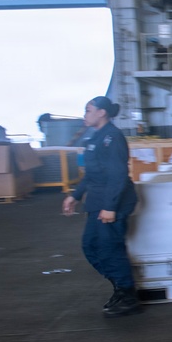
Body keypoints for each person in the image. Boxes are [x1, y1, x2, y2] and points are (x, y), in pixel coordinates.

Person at [63, 96, 141, 317]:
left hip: (112, 202)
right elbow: (91, 174)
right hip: (97, 201)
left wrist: (110, 207)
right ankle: (119, 285)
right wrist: (75, 195)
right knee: (91, 246)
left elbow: (118, 175)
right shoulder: (94, 137)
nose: (84, 115)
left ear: (102, 112)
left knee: (109, 248)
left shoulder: (113, 137)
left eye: (88, 110)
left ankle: (128, 296)